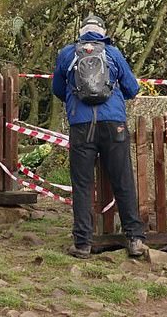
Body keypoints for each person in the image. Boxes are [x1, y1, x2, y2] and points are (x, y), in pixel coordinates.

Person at [53, 14, 145, 258]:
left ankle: (83, 243)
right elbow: (132, 88)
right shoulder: (113, 53)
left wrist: (78, 99)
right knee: (123, 180)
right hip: (113, 124)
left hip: (81, 126)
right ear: (102, 31)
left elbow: (57, 90)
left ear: (82, 32)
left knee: (82, 185)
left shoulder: (67, 54)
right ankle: (134, 238)